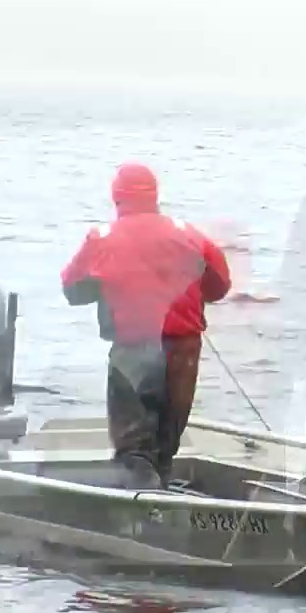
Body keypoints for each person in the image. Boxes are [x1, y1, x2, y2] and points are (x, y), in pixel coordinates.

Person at [60, 162, 232, 489]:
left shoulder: (103, 238)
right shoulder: (188, 233)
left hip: (134, 349)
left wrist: (107, 285)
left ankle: (138, 517)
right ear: (155, 196)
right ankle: (161, 499)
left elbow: (72, 288)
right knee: (166, 441)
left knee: (134, 448)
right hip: (184, 351)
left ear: (117, 198)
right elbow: (220, 285)